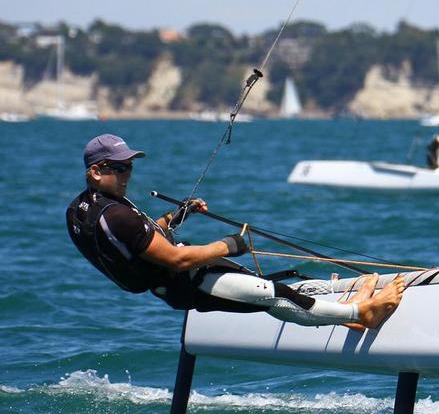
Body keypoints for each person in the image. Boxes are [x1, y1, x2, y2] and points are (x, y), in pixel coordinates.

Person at [66, 134, 404, 328]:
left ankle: (343, 315)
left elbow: (139, 242)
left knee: (267, 295)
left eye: (130, 166)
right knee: (274, 295)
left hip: (178, 279)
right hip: (185, 281)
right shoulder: (116, 214)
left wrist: (176, 216)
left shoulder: (83, 209)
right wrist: (228, 245)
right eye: (120, 168)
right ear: (96, 171)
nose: (128, 174)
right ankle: (361, 313)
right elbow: (176, 258)